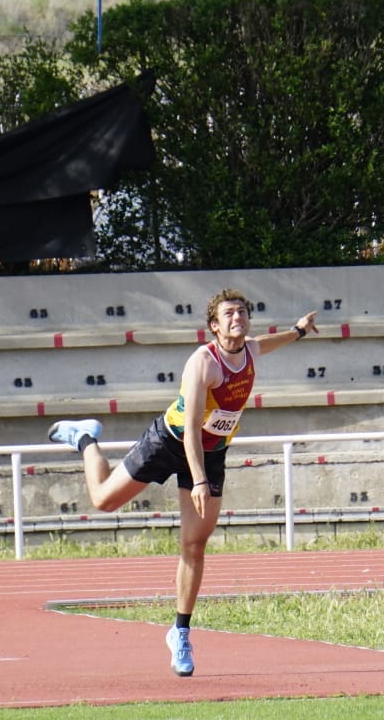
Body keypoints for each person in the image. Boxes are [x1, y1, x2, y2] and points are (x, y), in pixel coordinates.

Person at [48, 288, 319, 677]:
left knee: (194, 543)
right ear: (214, 325)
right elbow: (191, 429)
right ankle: (86, 439)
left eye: (242, 311)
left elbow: (267, 343)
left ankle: (180, 632)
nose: (237, 317)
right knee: (103, 500)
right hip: (170, 441)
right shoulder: (202, 364)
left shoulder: (250, 352)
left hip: (213, 452)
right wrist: (198, 480)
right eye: (229, 313)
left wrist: (299, 330)